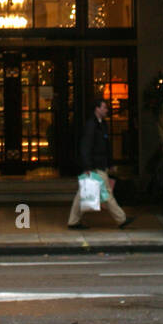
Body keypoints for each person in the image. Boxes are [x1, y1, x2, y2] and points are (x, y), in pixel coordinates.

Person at [68, 98, 132, 230]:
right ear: (97, 109)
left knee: (82, 194)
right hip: (96, 166)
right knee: (106, 193)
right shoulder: (92, 125)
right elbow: (86, 146)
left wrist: (110, 163)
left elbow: (106, 146)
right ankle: (121, 219)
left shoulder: (101, 124)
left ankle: (73, 221)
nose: (106, 110)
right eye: (104, 107)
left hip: (99, 164)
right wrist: (87, 167)